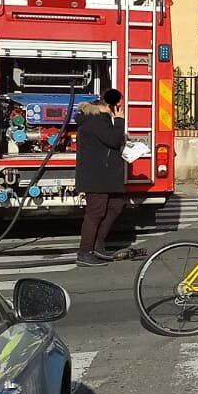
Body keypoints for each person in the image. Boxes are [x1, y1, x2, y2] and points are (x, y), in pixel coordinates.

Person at [75, 90, 129, 267]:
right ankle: (85, 252)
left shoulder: (99, 120)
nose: (120, 109)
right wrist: (119, 121)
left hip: (105, 175)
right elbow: (113, 140)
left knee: (115, 205)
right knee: (95, 213)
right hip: (96, 177)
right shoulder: (96, 120)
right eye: (118, 106)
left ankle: (98, 245)